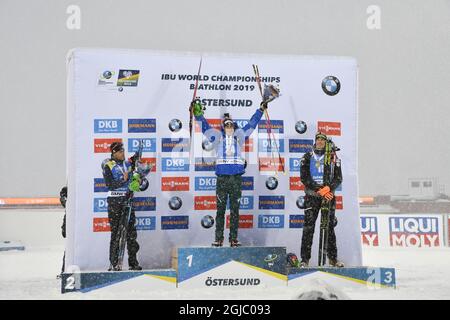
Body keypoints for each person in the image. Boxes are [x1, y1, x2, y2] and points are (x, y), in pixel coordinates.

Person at [193, 100, 267, 247]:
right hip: (222, 179)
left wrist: (260, 110)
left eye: (231, 125)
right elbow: (204, 126)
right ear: (223, 127)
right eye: (226, 125)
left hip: (236, 179)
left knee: (235, 210)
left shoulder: (240, 137)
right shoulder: (216, 138)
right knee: (220, 210)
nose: (229, 127)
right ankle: (218, 239)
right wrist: (197, 114)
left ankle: (233, 239)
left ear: (234, 127)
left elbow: (252, 124)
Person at [299, 132, 344, 267]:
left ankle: (333, 259)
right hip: (312, 196)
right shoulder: (307, 157)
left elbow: (338, 178)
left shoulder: (333, 157)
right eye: (317, 139)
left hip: (328, 197)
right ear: (315, 141)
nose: (319, 141)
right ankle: (305, 260)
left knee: (329, 228)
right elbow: (304, 177)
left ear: (326, 142)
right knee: (308, 228)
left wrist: (328, 188)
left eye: (322, 140)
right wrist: (319, 189)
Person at [101, 141, 145, 271]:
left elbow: (135, 159)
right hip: (115, 202)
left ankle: (133, 262)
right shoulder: (107, 164)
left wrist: (138, 152)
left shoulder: (127, 163)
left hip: (128, 200)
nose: (123, 154)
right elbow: (109, 184)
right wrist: (123, 179)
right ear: (114, 152)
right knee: (116, 233)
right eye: (120, 152)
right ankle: (114, 264)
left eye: (124, 151)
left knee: (131, 233)